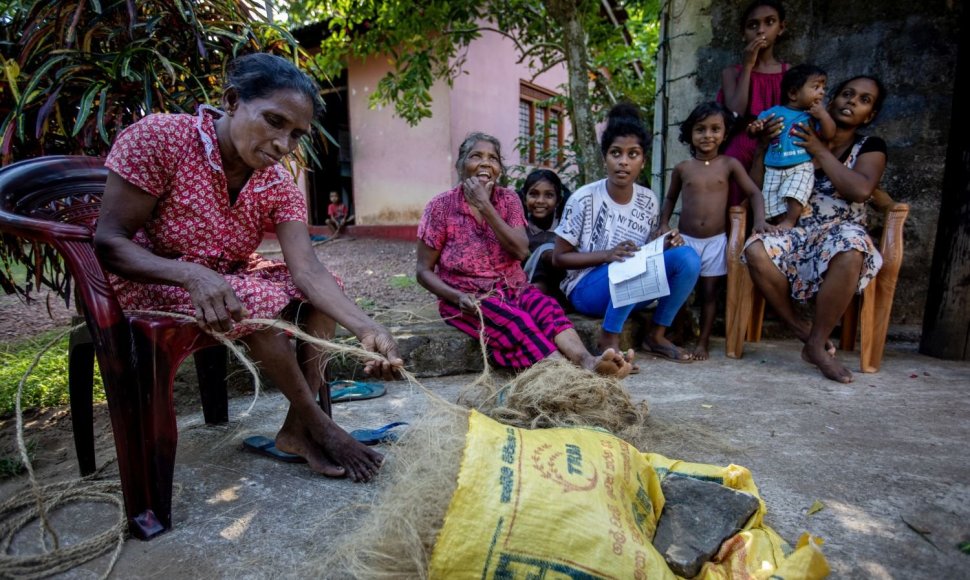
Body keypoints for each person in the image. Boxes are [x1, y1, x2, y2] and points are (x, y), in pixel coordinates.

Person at [94, 53, 403, 482]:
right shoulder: (162, 137)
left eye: (296, 135)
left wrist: (369, 328)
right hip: (150, 278)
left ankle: (298, 427)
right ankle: (322, 427)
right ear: (233, 100)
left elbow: (308, 270)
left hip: (227, 280)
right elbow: (109, 242)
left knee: (323, 289)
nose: (284, 144)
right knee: (257, 298)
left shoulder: (276, 181)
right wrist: (192, 274)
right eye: (274, 121)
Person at [416, 132, 634, 377]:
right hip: (468, 298)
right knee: (517, 322)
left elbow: (520, 250)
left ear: (499, 169)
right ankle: (565, 376)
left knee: (548, 309)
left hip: (514, 288)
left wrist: (485, 206)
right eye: (476, 156)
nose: (486, 163)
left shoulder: (508, 200)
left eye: (493, 158)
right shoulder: (440, 207)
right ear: (461, 164)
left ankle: (588, 362)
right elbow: (423, 271)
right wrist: (456, 296)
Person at [743, 75, 889, 383]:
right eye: (847, 94)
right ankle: (805, 334)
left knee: (851, 248)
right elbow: (756, 188)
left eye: (864, 100)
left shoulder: (869, 146)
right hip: (795, 230)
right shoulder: (794, 133)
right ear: (828, 100)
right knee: (756, 248)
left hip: (841, 230)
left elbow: (861, 190)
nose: (852, 101)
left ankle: (818, 345)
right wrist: (762, 147)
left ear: (870, 115)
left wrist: (820, 150)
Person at [554, 104, 701, 363]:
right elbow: (559, 258)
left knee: (687, 257)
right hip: (587, 289)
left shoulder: (648, 200)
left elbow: (647, 253)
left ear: (642, 160)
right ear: (605, 158)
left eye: (632, 154)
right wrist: (608, 255)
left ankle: (656, 335)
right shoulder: (583, 198)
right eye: (616, 153)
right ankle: (609, 339)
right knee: (633, 261)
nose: (623, 161)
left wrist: (665, 244)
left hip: (632, 290)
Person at [658, 101, 773, 361]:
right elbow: (669, 199)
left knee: (710, 295)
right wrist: (663, 224)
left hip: (715, 242)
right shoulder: (682, 168)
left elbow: (754, 192)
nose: (707, 135)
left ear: (724, 133)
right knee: (679, 291)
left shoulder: (729, 164)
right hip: (685, 241)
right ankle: (676, 331)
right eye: (700, 129)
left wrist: (759, 221)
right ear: (690, 134)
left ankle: (703, 341)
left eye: (714, 129)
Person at [719, 0, 789, 207]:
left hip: (778, 146)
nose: (761, 30)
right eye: (753, 25)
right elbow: (734, 113)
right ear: (743, 33)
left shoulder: (788, 72)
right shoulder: (732, 72)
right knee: (735, 206)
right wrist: (748, 65)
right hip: (742, 146)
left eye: (769, 22)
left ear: (781, 28)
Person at [751, 64, 836, 228]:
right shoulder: (774, 112)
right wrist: (755, 129)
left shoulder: (811, 116)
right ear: (793, 93)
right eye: (816, 87)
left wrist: (823, 115)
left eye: (823, 88)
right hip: (773, 166)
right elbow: (756, 128)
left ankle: (790, 221)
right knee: (769, 199)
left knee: (796, 194)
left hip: (800, 165)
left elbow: (829, 134)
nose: (822, 92)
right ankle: (777, 225)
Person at [519, 168, 569, 304]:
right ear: (524, 198)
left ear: (558, 200)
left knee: (549, 250)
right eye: (534, 194)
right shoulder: (518, 227)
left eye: (548, 195)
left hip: (561, 284)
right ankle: (534, 295)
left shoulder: (566, 226)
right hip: (528, 280)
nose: (540, 201)